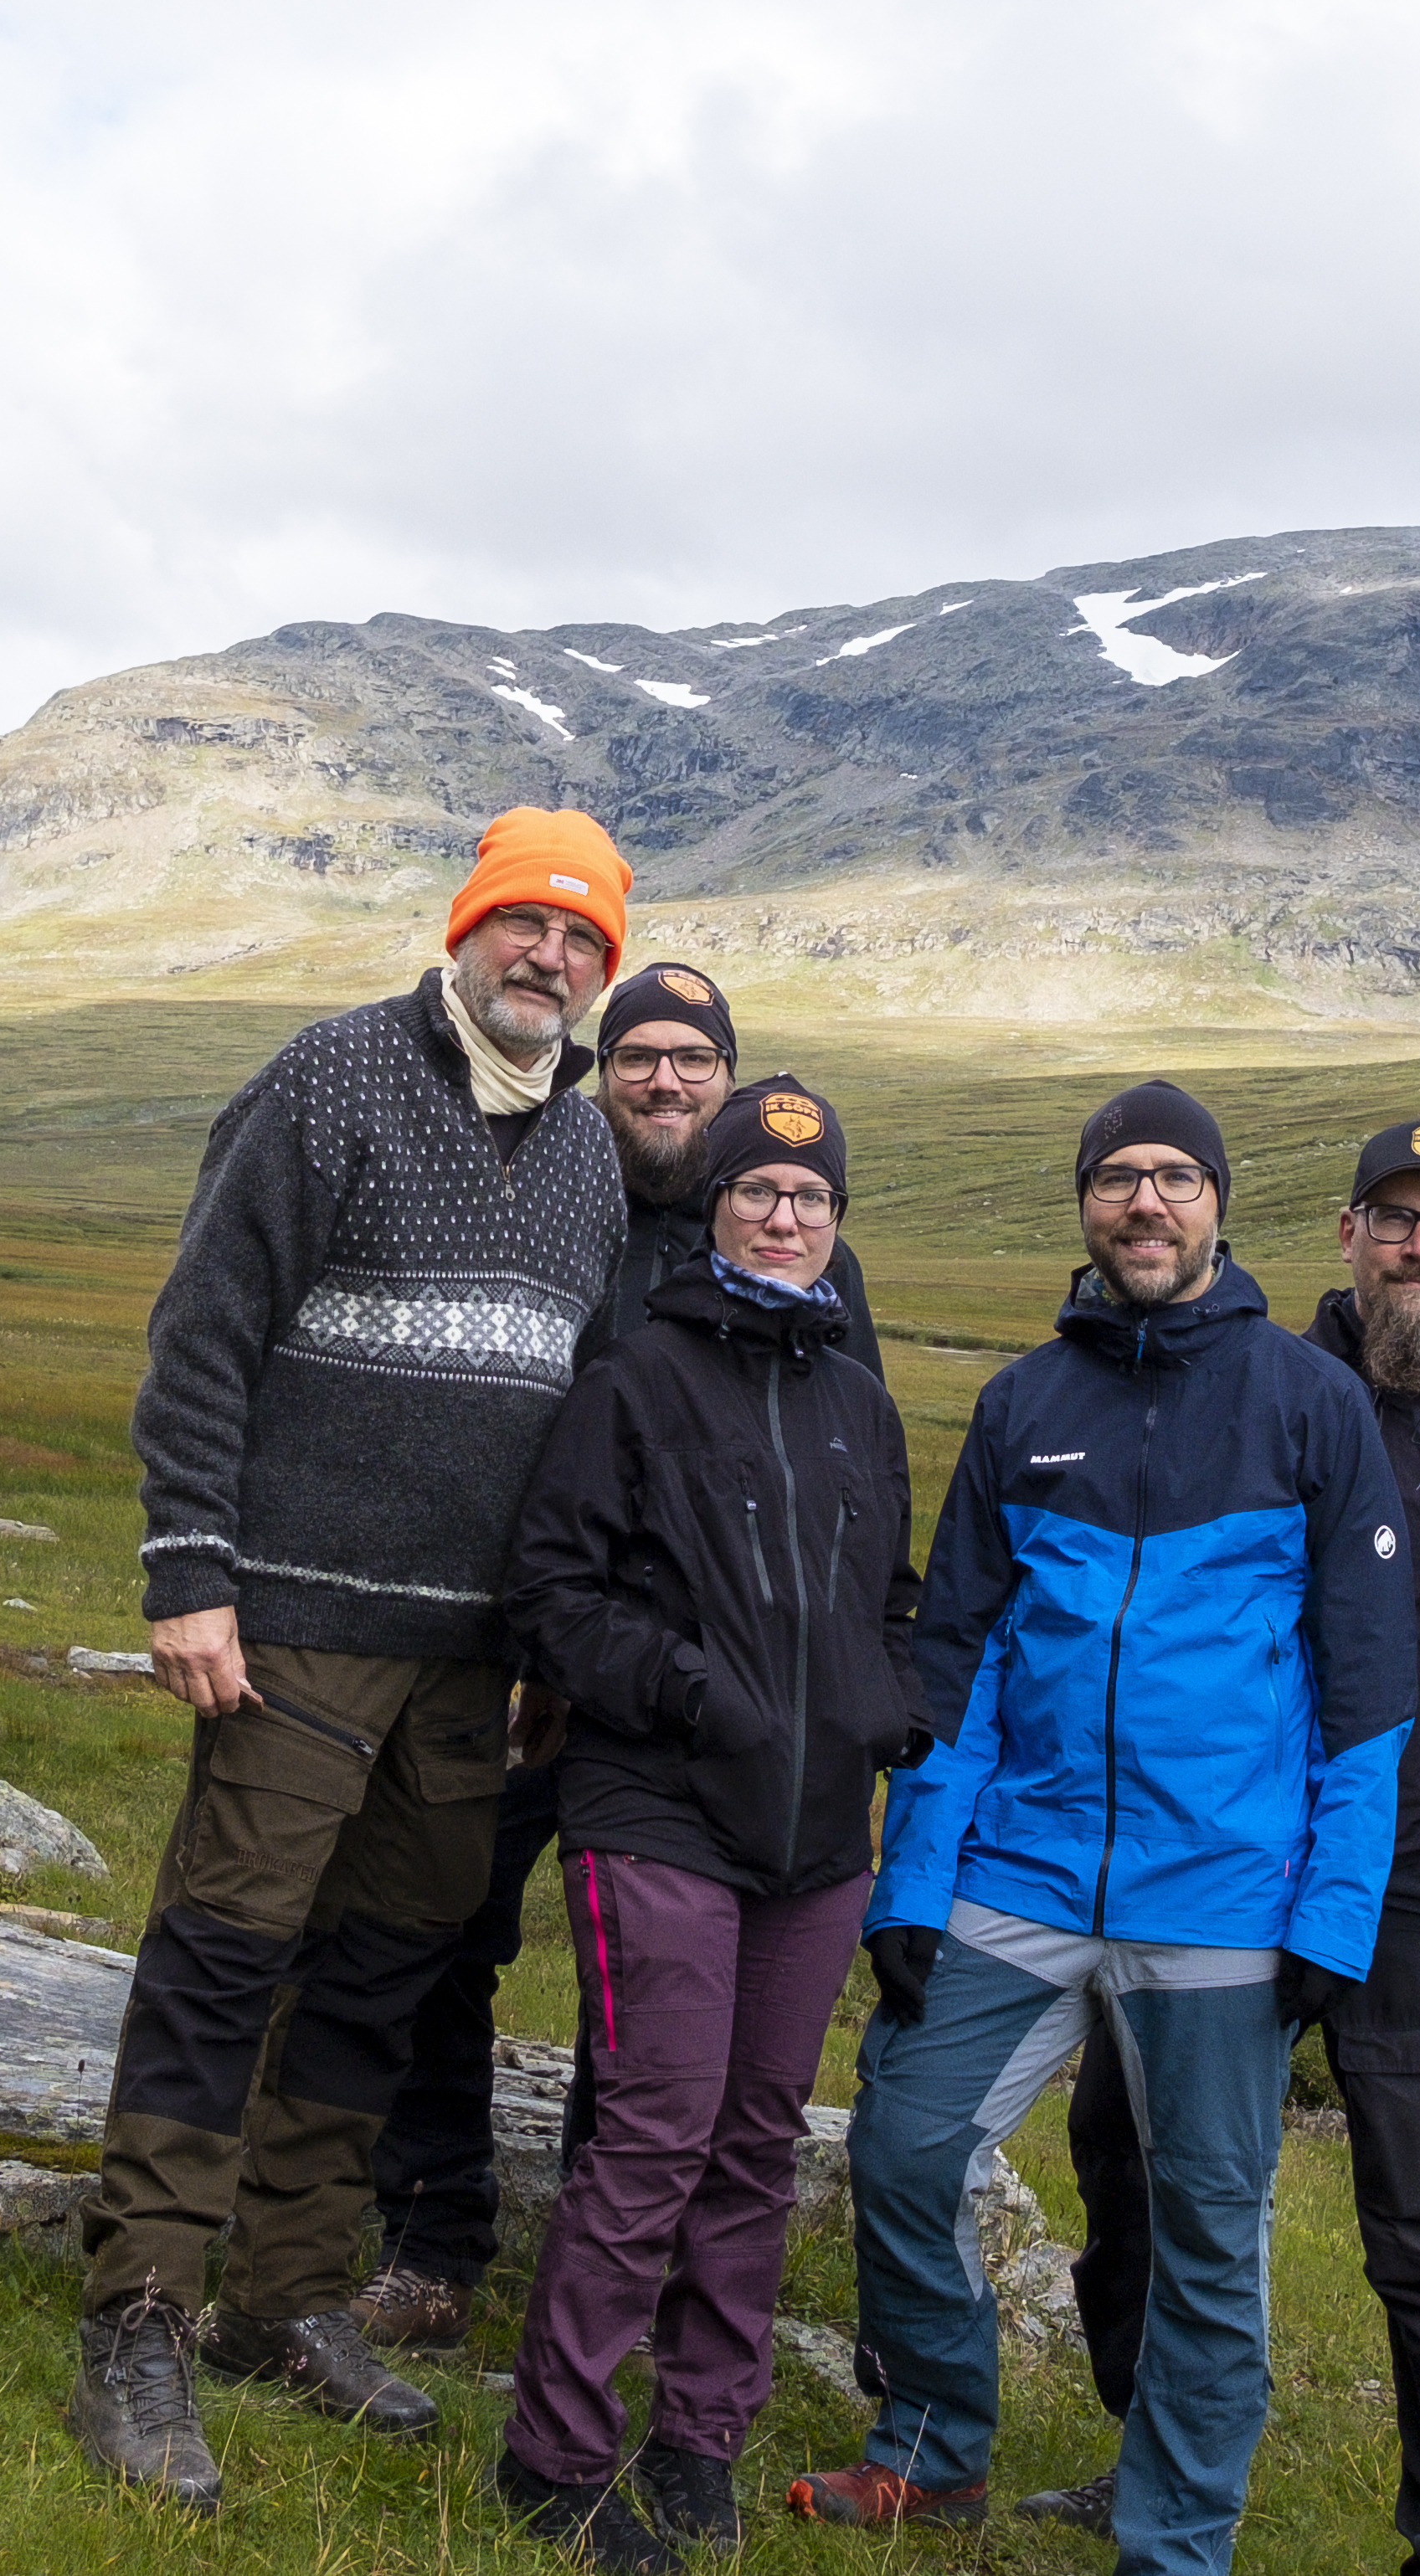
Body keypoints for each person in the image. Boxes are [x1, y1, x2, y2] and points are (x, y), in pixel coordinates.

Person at [67, 806, 635, 2510]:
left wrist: (548, 1641)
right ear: (465, 929)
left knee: (382, 1973)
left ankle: (286, 2291)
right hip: (294, 1623)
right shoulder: (328, 1080)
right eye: (523, 925)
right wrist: (190, 1574)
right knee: (224, 1956)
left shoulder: (595, 1156)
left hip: (466, 1665)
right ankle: (141, 2311)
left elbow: (574, 1420)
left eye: (581, 939)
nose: (548, 960)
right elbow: (205, 1331)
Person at [794, 1080, 1417, 2576]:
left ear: (1219, 1204)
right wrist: (913, 1889)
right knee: (904, 2146)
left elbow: (1370, 1692)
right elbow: (959, 1662)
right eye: (1118, 1178)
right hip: (1021, 1870)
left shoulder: (1312, 1404)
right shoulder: (1026, 1406)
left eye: (1175, 1178)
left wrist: (1333, 1917)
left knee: (1209, 2237)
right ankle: (933, 2455)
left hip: (1223, 1897)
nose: (1146, 1202)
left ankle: (1177, 2541)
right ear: (1084, 1203)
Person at [1019, 1118, 1420, 2574]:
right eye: (1391, 1218)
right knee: (1131, 2165)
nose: (1417, 1245)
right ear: (1345, 1236)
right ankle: (1151, 2465)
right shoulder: (1254, 1399)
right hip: (1222, 1886)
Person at [352, 963, 888, 2352]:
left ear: (730, 1084)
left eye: (693, 1059)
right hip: (502, 1654)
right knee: (447, 1924)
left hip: (681, 1714)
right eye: (639, 1054)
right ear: (601, 1069)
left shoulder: (801, 1252)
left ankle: (621, 2265)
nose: (666, 1079)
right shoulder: (551, 1198)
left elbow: (851, 1478)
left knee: (649, 1987)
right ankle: (434, 2235)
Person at [490, 1074, 929, 2573]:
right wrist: (690, 1691)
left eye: (812, 1198)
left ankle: (697, 2442)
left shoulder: (863, 1405)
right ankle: (555, 2457)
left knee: (755, 2144)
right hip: (658, 1809)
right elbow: (552, 1592)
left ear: (836, 1225)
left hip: (817, 1838)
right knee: (657, 2136)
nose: (787, 1215)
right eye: (759, 1191)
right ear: (716, 1209)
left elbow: (891, 1606)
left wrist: (893, 1703)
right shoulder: (636, 1379)